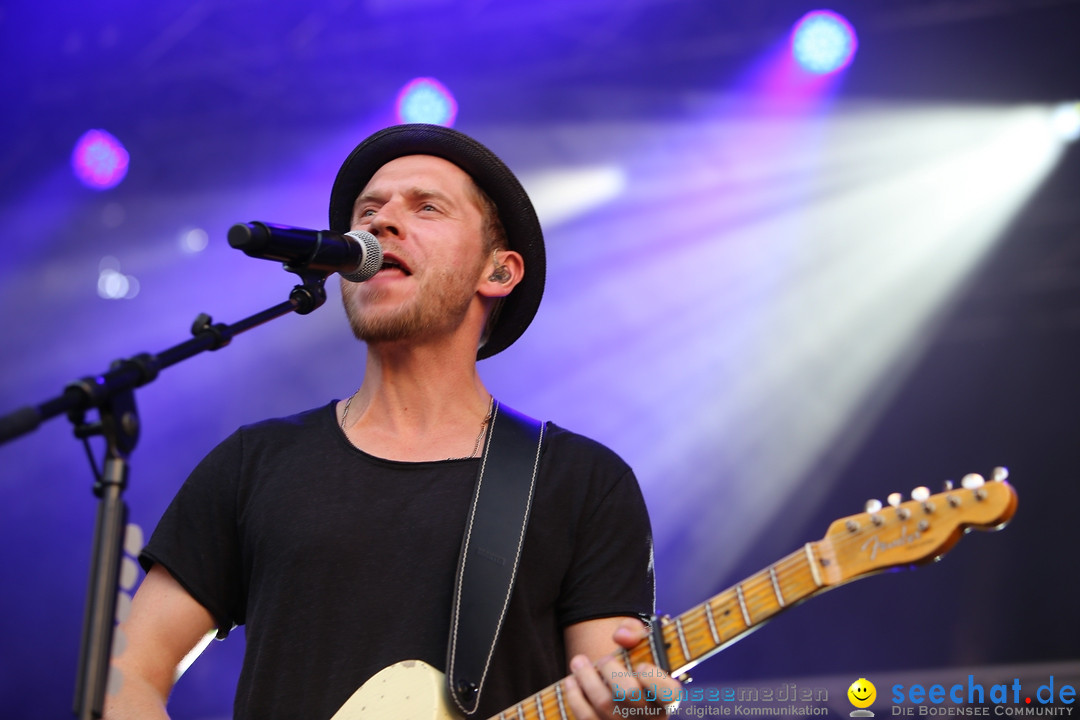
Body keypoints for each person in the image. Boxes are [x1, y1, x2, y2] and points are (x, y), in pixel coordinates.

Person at [104, 124, 682, 719]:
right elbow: (126, 676)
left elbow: (615, 686)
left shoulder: (581, 481)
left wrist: (633, 709)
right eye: (369, 211)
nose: (380, 224)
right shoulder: (255, 462)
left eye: (427, 208)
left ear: (500, 272)